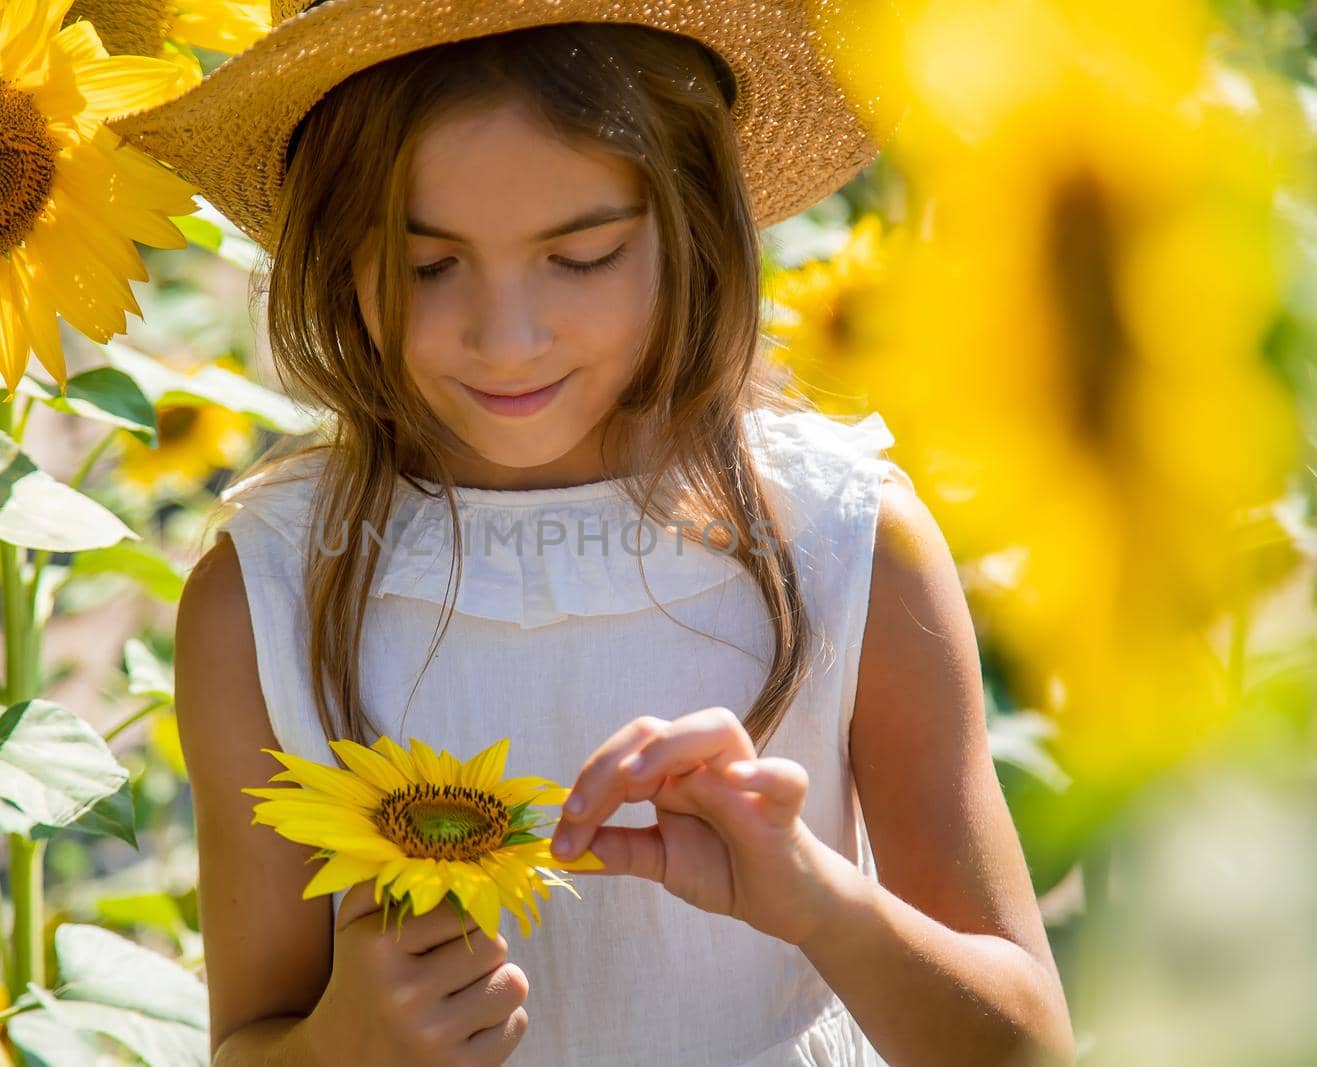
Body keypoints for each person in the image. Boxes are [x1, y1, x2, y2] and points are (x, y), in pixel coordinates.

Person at [117, 2, 1077, 1064]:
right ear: (336, 254)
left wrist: (819, 900)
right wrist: (343, 1045)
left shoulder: (845, 542)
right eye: (425, 265)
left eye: (581, 256)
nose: (506, 337)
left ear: (695, 226)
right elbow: (250, 1037)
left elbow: (1026, 1042)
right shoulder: (269, 594)